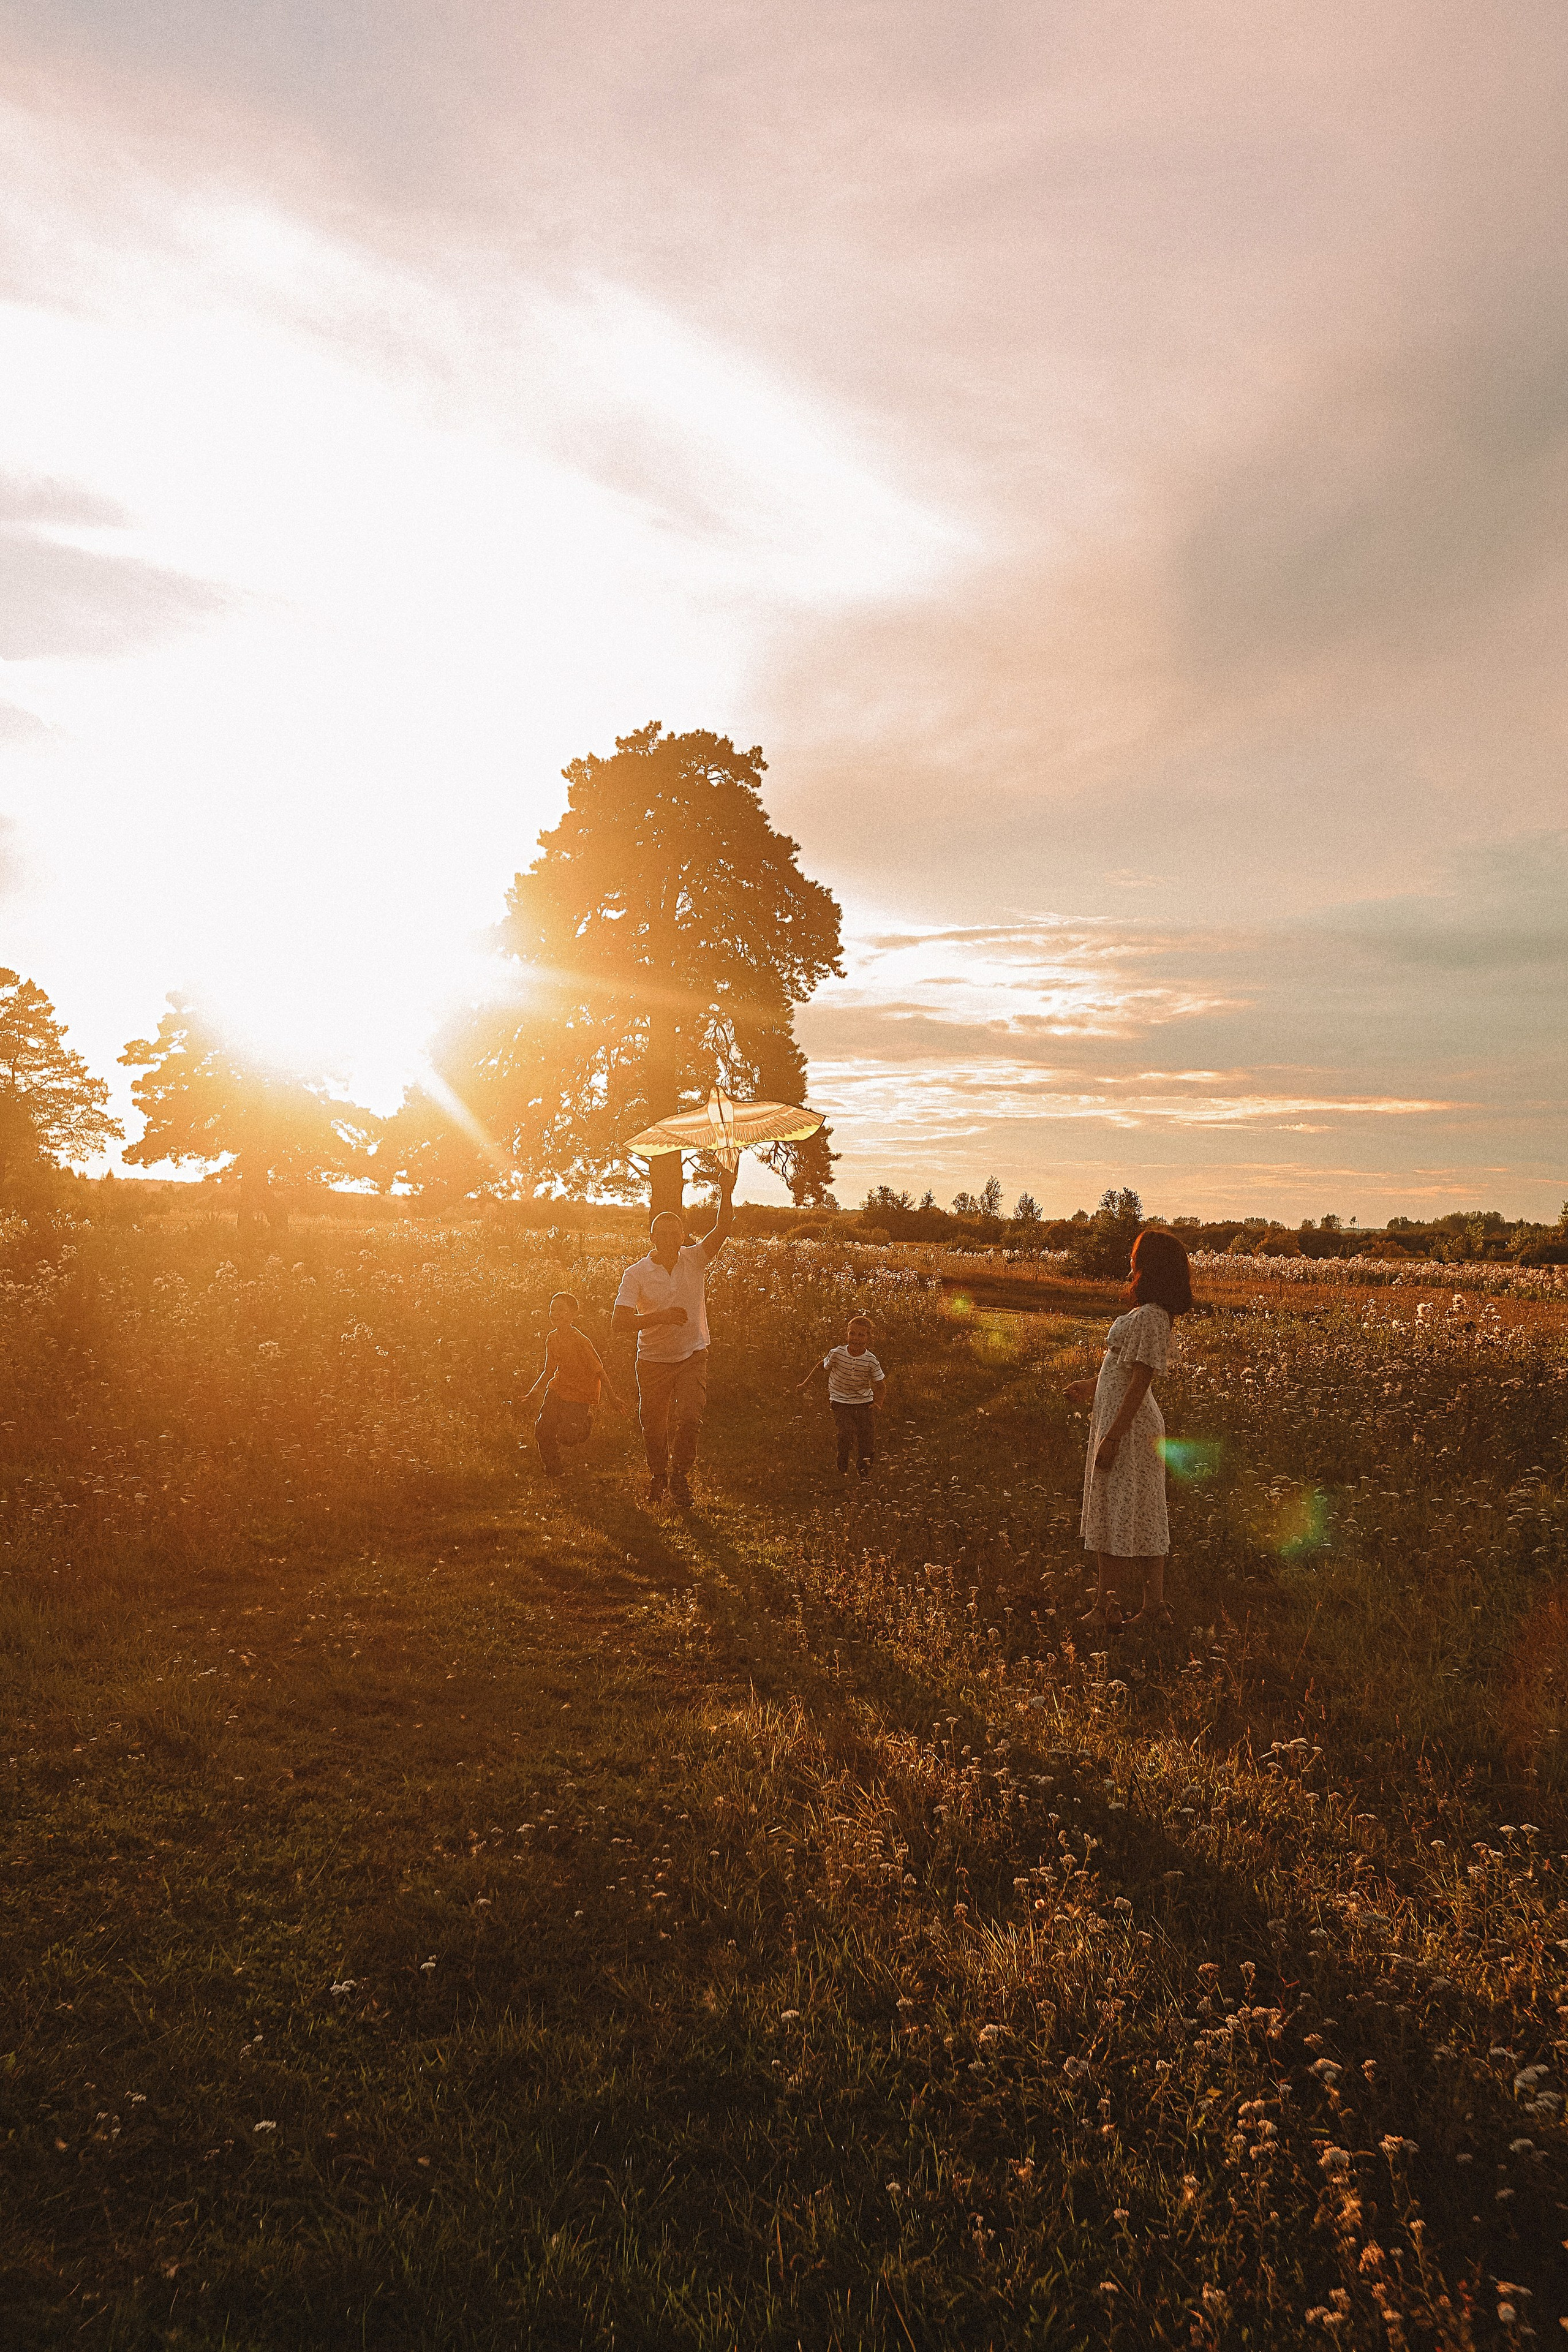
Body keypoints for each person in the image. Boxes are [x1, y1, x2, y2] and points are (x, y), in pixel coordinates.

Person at [1063, 1226, 1193, 1632]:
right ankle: (1149, 1608)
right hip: (1119, 1420)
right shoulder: (1146, 1313)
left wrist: (1114, 1437)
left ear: (1150, 1265)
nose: (1130, 1260)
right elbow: (1122, 1369)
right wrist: (1091, 1385)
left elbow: (1141, 1380)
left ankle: (1108, 1609)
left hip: (1131, 1429)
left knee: (1120, 1511)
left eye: (1136, 1254)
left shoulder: (1154, 1317)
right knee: (1133, 1511)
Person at [612, 1163, 736, 1506]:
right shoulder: (635, 1273)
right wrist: (660, 1317)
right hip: (652, 1360)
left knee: (690, 1417)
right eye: (661, 1233)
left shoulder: (695, 1259)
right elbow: (619, 1323)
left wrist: (727, 1190)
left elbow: (723, 1227)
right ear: (652, 1237)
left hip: (693, 1353)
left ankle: (680, 1477)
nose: (669, 1238)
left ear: (683, 1236)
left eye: (675, 1232)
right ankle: (657, 1476)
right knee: (654, 1425)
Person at [521, 1291, 626, 1477]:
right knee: (543, 1429)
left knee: (567, 1437)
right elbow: (548, 1370)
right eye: (552, 1309)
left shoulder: (581, 1341)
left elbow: (599, 1370)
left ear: (573, 1314)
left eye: (561, 1309)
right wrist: (533, 1391)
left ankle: (584, 1423)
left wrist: (613, 1397)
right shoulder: (551, 1338)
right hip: (558, 1388)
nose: (555, 1313)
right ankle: (554, 1471)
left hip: (581, 1394)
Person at [796, 1312, 885, 1480]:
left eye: (861, 1335)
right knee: (846, 1431)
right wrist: (806, 1383)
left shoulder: (871, 1361)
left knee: (867, 1438)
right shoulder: (837, 1353)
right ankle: (842, 1457)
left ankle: (864, 1471)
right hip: (840, 1400)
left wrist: (878, 1403)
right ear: (847, 1334)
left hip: (863, 1402)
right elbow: (821, 1367)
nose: (856, 1338)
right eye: (852, 1333)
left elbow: (881, 1386)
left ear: (868, 1337)